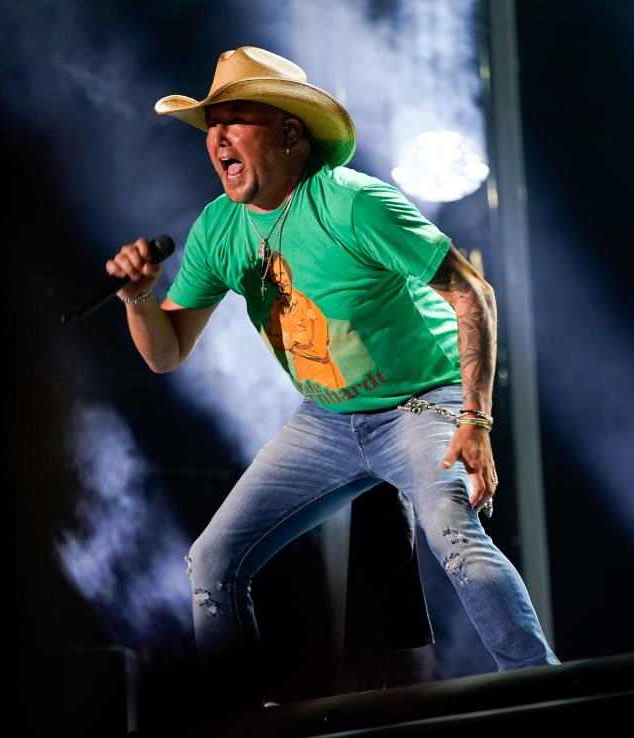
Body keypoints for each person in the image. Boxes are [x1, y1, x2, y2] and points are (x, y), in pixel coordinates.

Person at [106, 46, 559, 706]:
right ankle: (242, 721)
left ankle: (541, 694)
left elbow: (472, 293)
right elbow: (165, 352)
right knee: (211, 563)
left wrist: (475, 418)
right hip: (328, 420)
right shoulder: (218, 228)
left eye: (236, 119)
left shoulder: (352, 203)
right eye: (211, 125)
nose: (219, 138)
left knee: (453, 534)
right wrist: (140, 298)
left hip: (420, 403)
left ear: (291, 132)